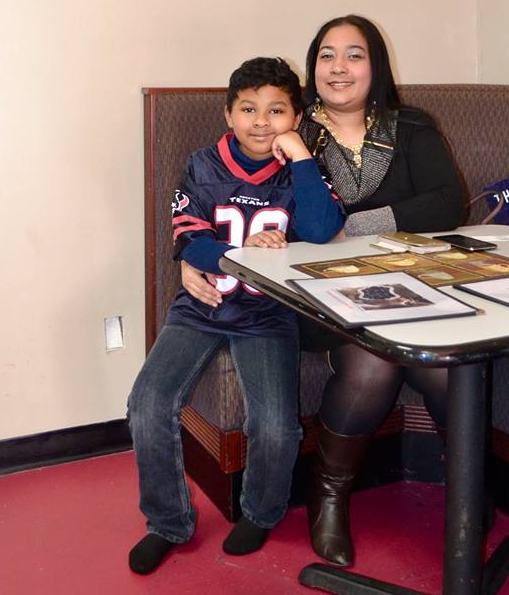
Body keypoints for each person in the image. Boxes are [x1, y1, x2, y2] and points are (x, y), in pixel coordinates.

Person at [127, 57, 345, 575]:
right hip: (203, 304)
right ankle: (167, 522)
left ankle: (261, 512)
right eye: (249, 109)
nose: (262, 122)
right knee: (147, 405)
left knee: (274, 426)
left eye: (277, 111)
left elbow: (320, 230)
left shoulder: (301, 171)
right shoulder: (204, 165)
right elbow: (188, 242)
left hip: (268, 313)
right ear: (229, 114)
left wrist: (301, 158)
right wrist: (244, 251)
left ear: (296, 116)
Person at [298, 15, 464, 566]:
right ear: (313, 65)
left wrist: (355, 226)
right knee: (372, 366)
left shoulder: (411, 126)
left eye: (354, 54)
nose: (339, 68)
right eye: (327, 55)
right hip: (322, 296)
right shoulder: (291, 129)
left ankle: (466, 490)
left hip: (411, 286)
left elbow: (447, 203)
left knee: (443, 366)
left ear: (376, 65)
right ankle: (329, 497)